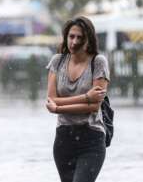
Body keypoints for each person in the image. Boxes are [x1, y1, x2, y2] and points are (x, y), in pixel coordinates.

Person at [45, 16, 110, 182]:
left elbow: (94, 106)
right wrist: (86, 97)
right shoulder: (57, 62)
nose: (74, 42)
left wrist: (59, 108)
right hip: (63, 139)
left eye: (80, 37)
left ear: (89, 39)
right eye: (71, 36)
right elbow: (51, 99)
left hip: (91, 138)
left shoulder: (98, 62)